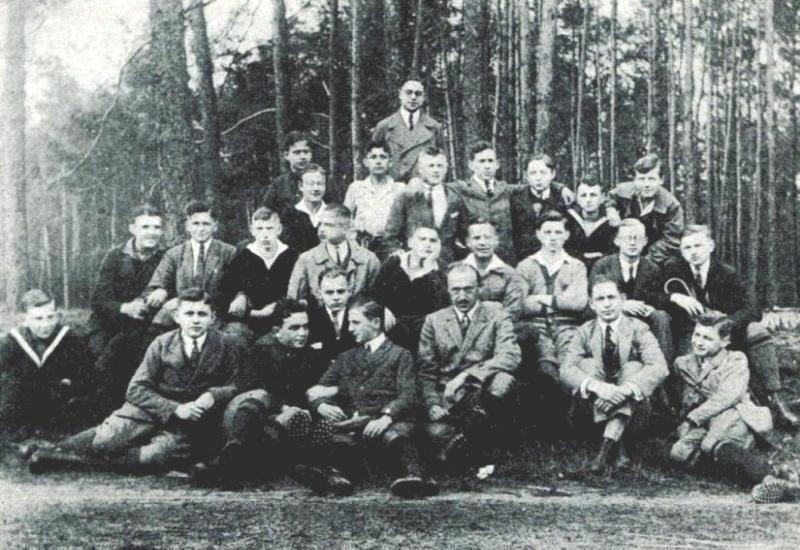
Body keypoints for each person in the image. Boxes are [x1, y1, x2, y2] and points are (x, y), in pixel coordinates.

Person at [29, 289, 244, 474]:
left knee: (156, 456)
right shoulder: (161, 343)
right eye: (189, 313)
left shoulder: (226, 345)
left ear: (213, 317)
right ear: (177, 316)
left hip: (191, 423)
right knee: (106, 440)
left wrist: (214, 394)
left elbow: (236, 385)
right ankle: (53, 450)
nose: (195, 320)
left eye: (202, 314)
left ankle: (67, 462)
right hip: (151, 410)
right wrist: (174, 408)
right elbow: (136, 389)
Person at [662, 225, 799, 428]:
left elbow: (753, 308)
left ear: (711, 246)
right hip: (690, 334)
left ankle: (775, 400)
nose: (693, 252)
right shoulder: (673, 269)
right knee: (690, 368)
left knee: (757, 331)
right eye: (687, 248)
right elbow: (648, 296)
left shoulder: (726, 272)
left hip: (726, 334)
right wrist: (675, 297)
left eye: (698, 245)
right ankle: (691, 413)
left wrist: (726, 324)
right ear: (681, 251)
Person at [305, 298, 439, 498]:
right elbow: (316, 390)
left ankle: (412, 477)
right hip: (355, 422)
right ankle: (336, 479)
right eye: (350, 323)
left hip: (389, 421)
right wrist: (320, 405)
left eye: (356, 323)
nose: (350, 329)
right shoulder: (346, 356)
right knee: (341, 444)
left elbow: (408, 394)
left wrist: (386, 416)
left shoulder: (400, 355)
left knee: (398, 438)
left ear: (376, 323)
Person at [668, 313, 798, 500]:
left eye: (707, 338)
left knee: (712, 444)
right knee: (679, 454)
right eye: (697, 335)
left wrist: (692, 418)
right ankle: (775, 471)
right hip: (705, 420)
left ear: (724, 341)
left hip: (735, 413)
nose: (699, 342)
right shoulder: (683, 364)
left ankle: (768, 478)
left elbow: (728, 396)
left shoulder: (736, 360)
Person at [210, 299, 332, 480]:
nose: (303, 333)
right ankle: (232, 449)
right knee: (259, 398)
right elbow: (249, 386)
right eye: (294, 328)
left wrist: (300, 408)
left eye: (306, 327)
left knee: (300, 420)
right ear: (277, 331)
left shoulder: (314, 358)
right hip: (260, 415)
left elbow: (315, 391)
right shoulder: (260, 352)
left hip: (295, 421)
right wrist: (282, 407)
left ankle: (236, 462)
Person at [561, 278, 668, 474]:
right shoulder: (584, 331)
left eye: (611, 297)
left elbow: (659, 366)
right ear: (592, 305)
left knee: (634, 368)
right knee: (587, 365)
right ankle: (617, 449)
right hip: (590, 408)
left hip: (634, 411)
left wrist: (623, 390)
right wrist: (598, 387)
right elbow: (566, 369)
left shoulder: (638, 328)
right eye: (600, 299)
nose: (607, 304)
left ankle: (603, 454)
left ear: (622, 300)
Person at [418, 264, 521, 467]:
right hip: (448, 397)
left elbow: (510, 355)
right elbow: (425, 371)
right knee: (436, 434)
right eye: (456, 290)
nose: (462, 296)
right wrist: (432, 404)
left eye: (469, 289)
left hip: (483, 390)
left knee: (504, 380)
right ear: (448, 290)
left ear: (479, 289)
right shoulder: (434, 320)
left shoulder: (496, 313)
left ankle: (466, 438)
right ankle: (471, 443)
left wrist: (465, 376)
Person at [0, 290, 94, 440]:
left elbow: (86, 375)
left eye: (50, 317)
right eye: (38, 318)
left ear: (57, 314)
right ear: (25, 319)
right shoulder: (11, 343)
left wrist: (70, 383)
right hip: (20, 408)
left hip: (57, 407)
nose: (46, 325)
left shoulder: (70, 339)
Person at [516, 210, 588, 384]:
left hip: (567, 326)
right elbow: (520, 304)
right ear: (539, 235)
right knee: (544, 362)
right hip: (537, 326)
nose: (553, 237)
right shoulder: (526, 266)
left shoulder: (576, 266)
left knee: (569, 363)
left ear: (566, 235)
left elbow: (579, 303)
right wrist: (562, 300)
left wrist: (543, 298)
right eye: (548, 232)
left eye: (558, 232)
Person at [590, 218, 674, 365]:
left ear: (645, 241)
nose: (633, 243)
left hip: (641, 317)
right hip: (611, 314)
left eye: (638, 238)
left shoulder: (652, 268)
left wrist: (651, 307)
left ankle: (662, 369)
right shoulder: (603, 265)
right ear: (617, 241)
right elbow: (597, 297)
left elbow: (655, 296)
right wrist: (621, 305)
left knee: (661, 317)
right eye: (627, 238)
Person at [86, 204, 166, 357]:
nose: (152, 233)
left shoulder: (167, 256)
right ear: (133, 229)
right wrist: (125, 308)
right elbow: (98, 301)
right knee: (98, 357)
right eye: (145, 227)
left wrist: (164, 290)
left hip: (146, 326)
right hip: (110, 324)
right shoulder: (115, 256)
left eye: (157, 227)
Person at [144, 200, 237, 326]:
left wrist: (240, 297)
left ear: (215, 226)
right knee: (159, 322)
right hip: (183, 315)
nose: (200, 229)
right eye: (195, 224)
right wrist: (161, 291)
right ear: (187, 226)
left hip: (216, 316)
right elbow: (154, 287)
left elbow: (240, 286)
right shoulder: (174, 254)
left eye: (206, 224)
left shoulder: (229, 253)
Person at [217, 207, 299, 343]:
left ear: (279, 229)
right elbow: (223, 298)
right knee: (234, 335)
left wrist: (278, 308)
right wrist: (249, 308)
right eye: (260, 229)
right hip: (248, 322)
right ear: (252, 230)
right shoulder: (242, 258)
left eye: (269, 228)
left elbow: (299, 294)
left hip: (283, 320)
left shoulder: (292, 257)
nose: (265, 234)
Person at [370, 225, 449, 351]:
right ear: (410, 242)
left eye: (432, 241)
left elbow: (441, 308)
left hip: (421, 336)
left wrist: (429, 269)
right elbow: (374, 294)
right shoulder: (394, 263)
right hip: (388, 330)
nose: (427, 244)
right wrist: (382, 308)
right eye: (422, 239)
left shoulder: (440, 272)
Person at [384, 146, 467, 265]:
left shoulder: (455, 198)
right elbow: (390, 236)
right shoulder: (407, 196)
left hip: (446, 265)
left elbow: (464, 235)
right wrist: (402, 259)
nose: (436, 170)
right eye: (431, 166)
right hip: (414, 265)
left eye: (440, 166)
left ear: (446, 168)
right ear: (421, 169)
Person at [287, 204, 381, 304]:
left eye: (328, 225)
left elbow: (376, 302)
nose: (321, 229)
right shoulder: (306, 260)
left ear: (346, 228)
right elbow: (293, 302)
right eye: (320, 224)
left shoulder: (368, 259)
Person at [607, 153, 684, 266]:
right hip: (621, 251)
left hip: (653, 257)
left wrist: (644, 262)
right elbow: (609, 198)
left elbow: (671, 240)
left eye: (651, 179)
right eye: (641, 179)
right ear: (635, 180)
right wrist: (611, 209)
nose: (646, 185)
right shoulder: (623, 191)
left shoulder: (671, 205)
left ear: (661, 180)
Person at [451, 141, 517, 264]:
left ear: (497, 164)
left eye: (490, 161)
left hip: (504, 259)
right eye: (482, 161)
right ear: (471, 165)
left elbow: (532, 187)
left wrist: (561, 188)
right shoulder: (460, 188)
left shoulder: (506, 189)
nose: (487, 166)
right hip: (472, 260)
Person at [344, 140, 407, 259]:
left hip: (392, 248)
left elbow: (409, 221)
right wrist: (353, 245)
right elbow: (345, 220)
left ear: (390, 162)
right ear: (365, 162)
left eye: (383, 157)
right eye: (373, 157)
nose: (378, 161)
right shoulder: (356, 188)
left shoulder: (400, 189)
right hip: (363, 247)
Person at [371, 78, 443, 182]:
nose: (413, 97)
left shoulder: (434, 127)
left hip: (424, 189)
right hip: (393, 189)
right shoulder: (384, 126)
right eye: (408, 92)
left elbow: (442, 163)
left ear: (423, 98)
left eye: (418, 94)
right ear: (400, 95)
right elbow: (374, 162)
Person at [459, 220, 527, 324]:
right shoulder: (454, 271)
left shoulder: (511, 275)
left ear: (496, 241)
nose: (482, 243)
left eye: (487, 238)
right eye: (477, 238)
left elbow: (512, 312)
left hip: (497, 330)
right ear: (468, 242)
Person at [509, 154, 574, 261]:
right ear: (526, 175)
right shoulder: (515, 198)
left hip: (555, 259)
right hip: (522, 260)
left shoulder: (563, 199)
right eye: (533, 173)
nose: (538, 178)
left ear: (553, 174)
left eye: (543, 173)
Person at [565, 177, 617, 271]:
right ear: (577, 198)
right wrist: (583, 256)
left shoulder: (611, 220)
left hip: (603, 271)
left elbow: (614, 252)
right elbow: (563, 248)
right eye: (583, 195)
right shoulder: (569, 219)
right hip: (573, 270)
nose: (588, 200)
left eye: (593, 195)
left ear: (603, 197)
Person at [306, 267, 358, 361]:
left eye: (341, 291)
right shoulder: (311, 319)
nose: (336, 297)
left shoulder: (359, 317)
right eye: (329, 292)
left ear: (349, 292)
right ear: (320, 294)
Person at [261, 131, 317, 214]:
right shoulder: (278, 184)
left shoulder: (323, 181)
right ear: (286, 155)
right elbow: (265, 213)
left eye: (306, 152)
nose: (302, 157)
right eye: (297, 152)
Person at [280, 164, 327, 253]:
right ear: (300, 186)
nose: (316, 188)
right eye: (311, 184)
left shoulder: (332, 214)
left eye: (320, 184)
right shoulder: (289, 215)